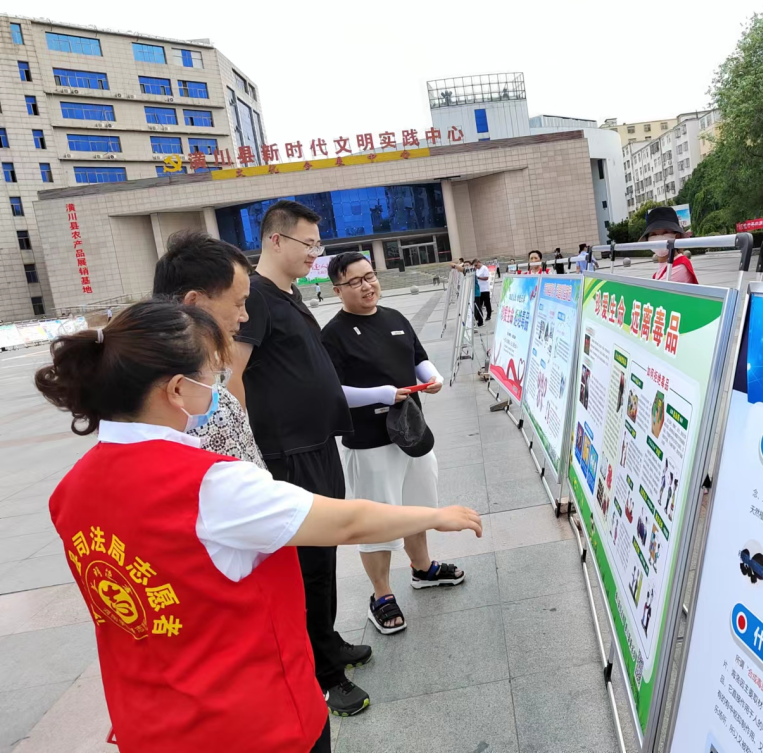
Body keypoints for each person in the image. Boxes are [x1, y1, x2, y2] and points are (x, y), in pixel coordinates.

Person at [39, 300, 481, 753]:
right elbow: (346, 523)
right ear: (177, 388)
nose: (218, 388)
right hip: (251, 721)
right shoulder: (209, 484)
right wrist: (435, 515)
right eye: (211, 376)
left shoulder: (70, 489)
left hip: (149, 722)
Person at [229, 200, 370, 717]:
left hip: (317, 445)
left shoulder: (289, 294)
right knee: (306, 568)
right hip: (287, 454)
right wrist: (245, 454)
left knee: (324, 556)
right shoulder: (256, 297)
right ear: (275, 240)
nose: (316, 253)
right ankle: (321, 676)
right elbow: (234, 376)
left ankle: (326, 643)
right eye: (308, 244)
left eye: (317, 244)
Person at [321, 253, 462, 635]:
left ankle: (423, 568)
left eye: (370, 276)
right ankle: (381, 595)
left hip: (411, 433)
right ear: (337, 290)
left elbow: (418, 359)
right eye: (355, 282)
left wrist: (432, 377)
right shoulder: (333, 335)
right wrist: (380, 394)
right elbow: (332, 391)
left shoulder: (395, 318)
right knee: (377, 521)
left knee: (418, 507)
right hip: (369, 442)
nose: (367, 286)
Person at [152, 231, 264, 467]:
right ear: (194, 303)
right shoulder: (163, 394)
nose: (244, 316)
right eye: (239, 304)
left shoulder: (203, 369)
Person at [641, 206, 698, 284]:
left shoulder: (680, 266)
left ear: (677, 236)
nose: (659, 238)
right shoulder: (658, 273)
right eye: (653, 234)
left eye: (665, 232)